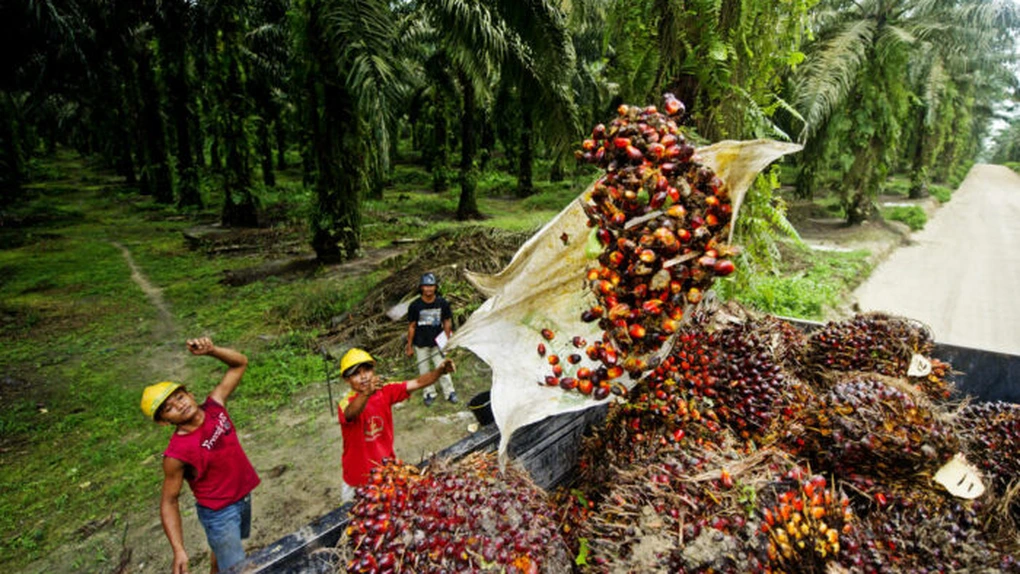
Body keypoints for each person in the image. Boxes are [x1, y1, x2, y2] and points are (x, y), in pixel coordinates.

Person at [140, 338, 260, 574]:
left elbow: (240, 364)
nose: (179, 405)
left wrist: (212, 350)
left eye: (180, 396)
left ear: (190, 394)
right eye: (168, 408)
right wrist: (179, 549)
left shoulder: (215, 405)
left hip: (243, 496)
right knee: (237, 567)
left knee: (223, 553)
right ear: (164, 421)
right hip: (220, 513)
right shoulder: (176, 454)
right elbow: (169, 501)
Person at [337, 347, 455, 502]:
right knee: (355, 517)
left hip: (386, 472)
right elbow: (350, 413)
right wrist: (366, 393)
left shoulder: (385, 392)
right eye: (356, 374)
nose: (364, 377)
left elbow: (418, 382)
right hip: (357, 478)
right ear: (347, 380)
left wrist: (440, 371)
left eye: (367, 370)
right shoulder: (346, 403)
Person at [406, 272, 457, 406]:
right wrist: (409, 346)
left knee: (443, 367)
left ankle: (449, 392)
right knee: (424, 370)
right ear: (421, 288)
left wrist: (447, 340)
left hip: (437, 343)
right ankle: (429, 393)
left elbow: (447, 321)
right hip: (421, 343)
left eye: (431, 286)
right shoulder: (415, 306)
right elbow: (412, 326)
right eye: (426, 286)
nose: (428, 289)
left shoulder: (442, 303)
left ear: (435, 287)